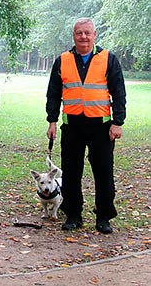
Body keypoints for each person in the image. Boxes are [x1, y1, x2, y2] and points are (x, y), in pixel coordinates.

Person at [46, 18, 126, 234]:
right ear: (73, 35)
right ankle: (73, 214)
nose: (83, 37)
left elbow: (119, 92)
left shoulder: (108, 59)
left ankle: (104, 216)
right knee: (71, 172)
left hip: (101, 126)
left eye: (87, 33)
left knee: (103, 172)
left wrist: (118, 122)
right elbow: (53, 93)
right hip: (72, 125)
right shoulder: (62, 60)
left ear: (94, 34)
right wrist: (51, 120)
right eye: (79, 33)